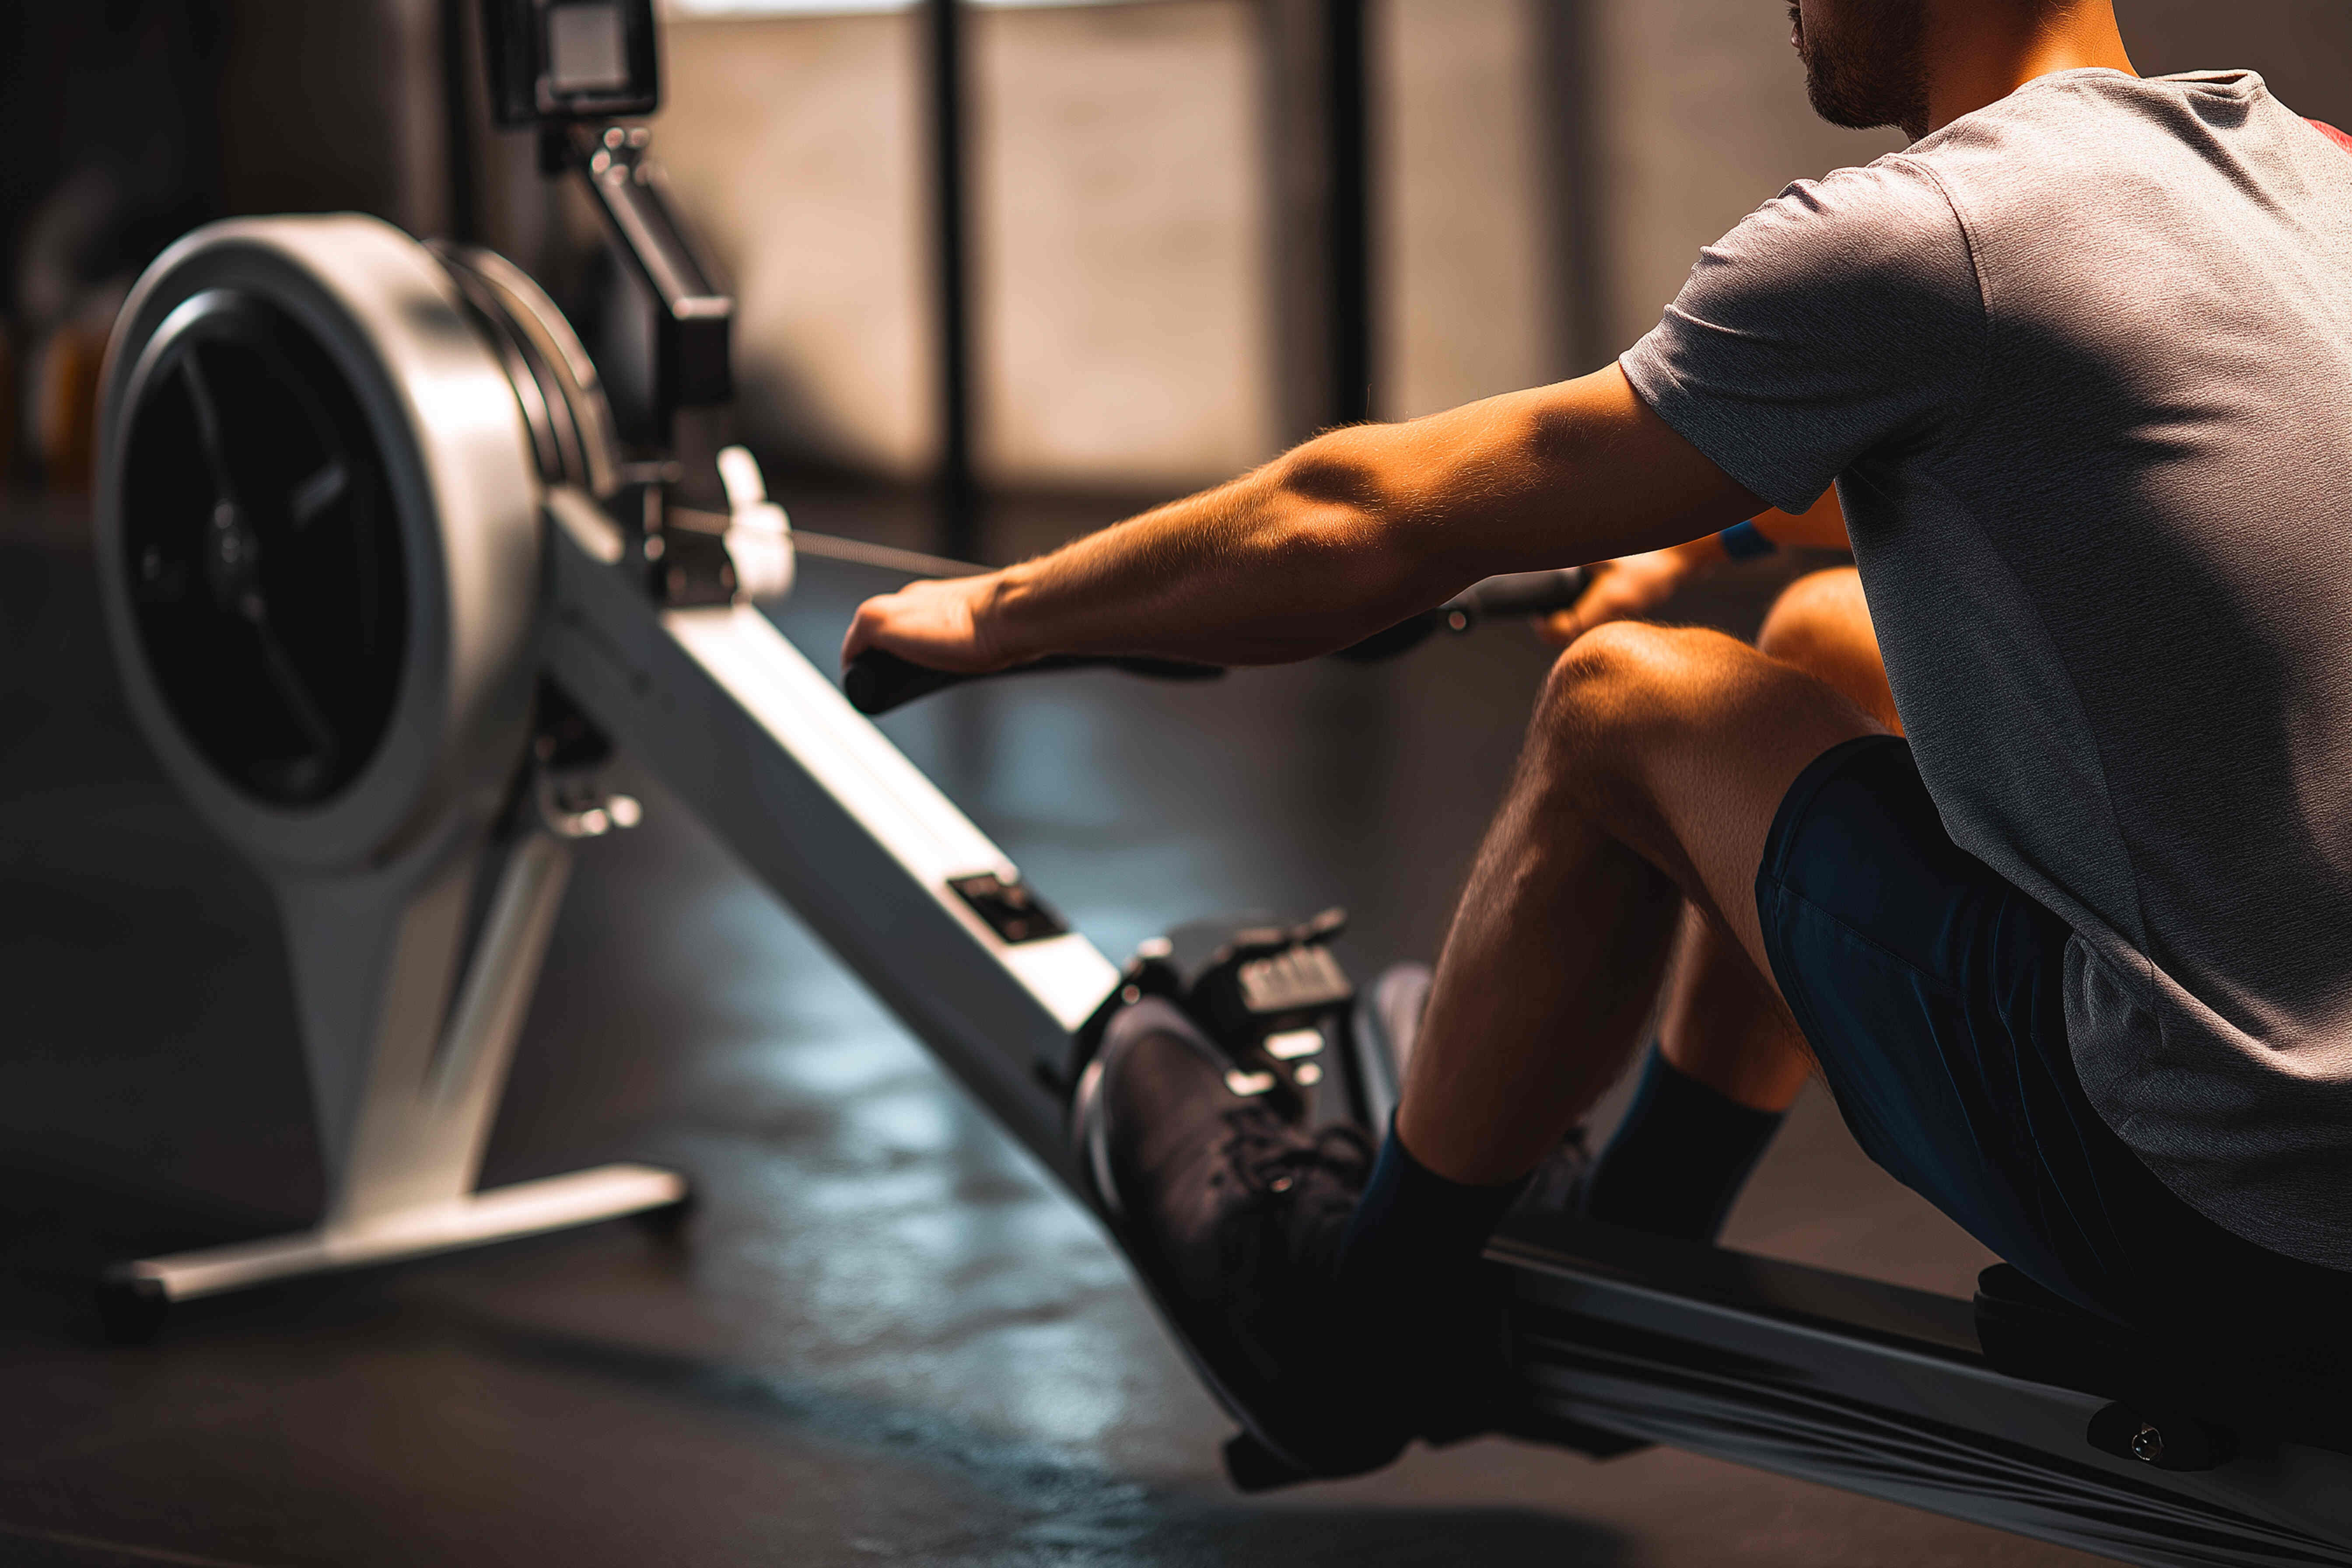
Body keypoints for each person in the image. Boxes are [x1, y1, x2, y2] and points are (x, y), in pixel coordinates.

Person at [845, 0, 2352, 1480]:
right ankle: (1636, 1236)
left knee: (1624, 708)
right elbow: (2062, 458)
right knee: (1830, 640)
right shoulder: (2307, 174)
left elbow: (1359, 523)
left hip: (2233, 1220)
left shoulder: (1936, 230)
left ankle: (1348, 1334)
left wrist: (998, 614)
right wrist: (1705, 528)